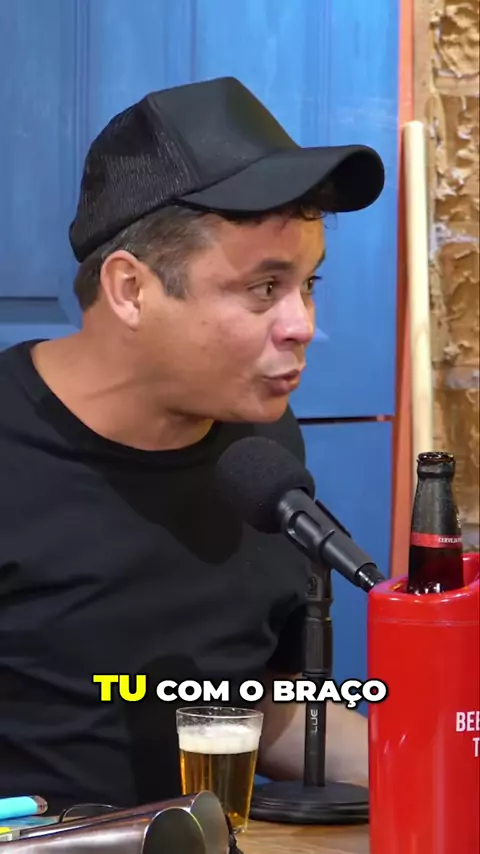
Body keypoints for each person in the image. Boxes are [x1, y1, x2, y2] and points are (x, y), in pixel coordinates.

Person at [0, 76, 385, 813]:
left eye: (309, 284)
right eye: (265, 288)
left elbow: (255, 702)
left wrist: (434, 761)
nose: (302, 325)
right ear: (131, 290)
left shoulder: (262, 450)